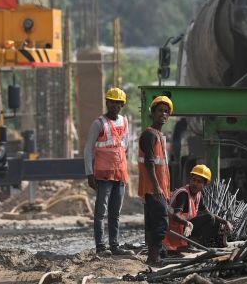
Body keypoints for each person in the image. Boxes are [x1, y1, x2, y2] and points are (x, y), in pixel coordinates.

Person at [84, 87, 133, 256]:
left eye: (118, 103)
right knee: (100, 213)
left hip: (120, 174)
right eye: (112, 102)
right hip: (103, 175)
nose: (115, 106)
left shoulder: (125, 122)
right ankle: (100, 247)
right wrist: (89, 173)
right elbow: (88, 149)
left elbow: (125, 147)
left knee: (115, 213)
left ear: (122, 105)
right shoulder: (99, 124)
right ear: (107, 103)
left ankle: (114, 245)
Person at [164, 165, 233, 253]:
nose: (195, 183)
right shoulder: (184, 194)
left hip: (185, 230)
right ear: (190, 180)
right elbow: (175, 215)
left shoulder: (198, 195)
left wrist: (225, 222)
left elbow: (209, 213)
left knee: (215, 222)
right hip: (174, 232)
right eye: (193, 180)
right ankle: (188, 244)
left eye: (199, 181)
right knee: (210, 218)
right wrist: (187, 223)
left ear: (204, 184)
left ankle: (191, 243)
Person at [139, 95, 173, 267]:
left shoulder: (159, 135)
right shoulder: (149, 135)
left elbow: (162, 167)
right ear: (152, 113)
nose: (163, 114)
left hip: (159, 189)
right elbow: (149, 164)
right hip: (153, 188)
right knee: (161, 222)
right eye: (160, 110)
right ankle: (154, 257)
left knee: (155, 223)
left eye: (166, 111)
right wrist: (157, 186)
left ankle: (153, 256)